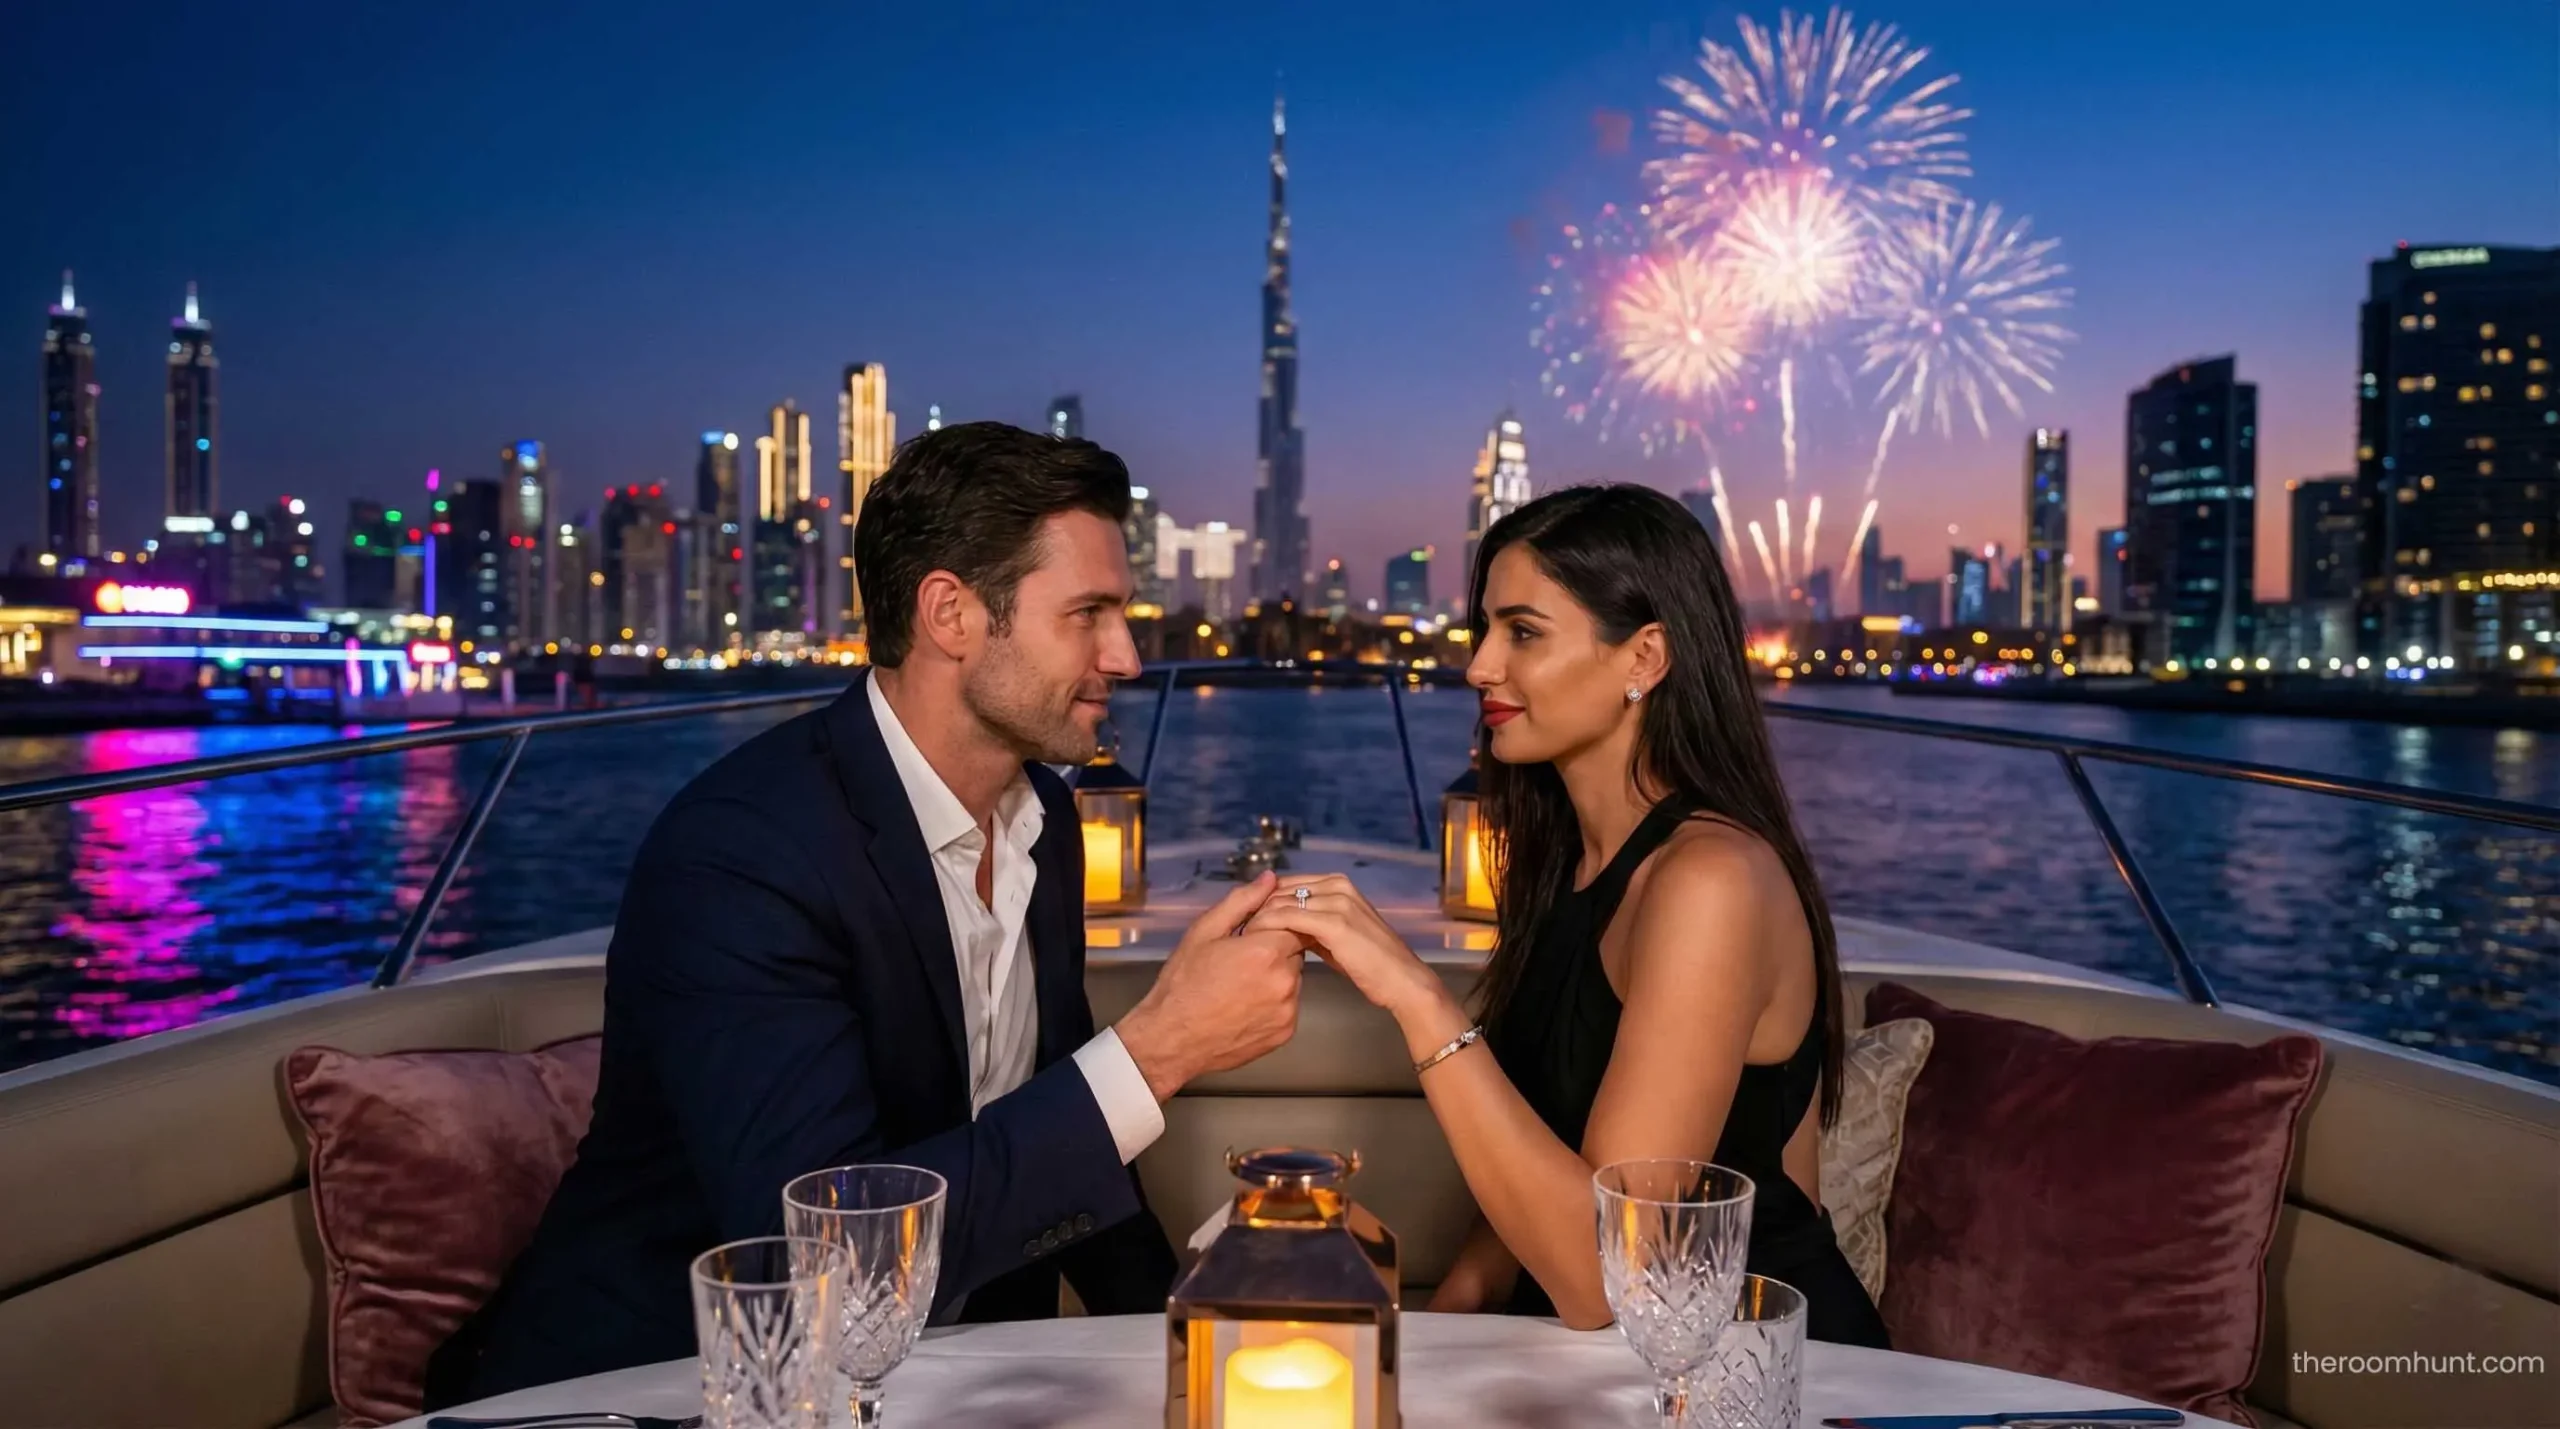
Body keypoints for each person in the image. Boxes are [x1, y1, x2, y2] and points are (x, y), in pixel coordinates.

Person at [428, 422, 1309, 1402]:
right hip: (666, 1389)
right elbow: (829, 1271)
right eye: (1089, 614)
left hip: (938, 1379)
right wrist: (1161, 1048)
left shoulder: (1045, 819)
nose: (1129, 655)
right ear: (951, 614)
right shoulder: (744, 851)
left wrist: (1189, 1367)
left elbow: (1060, 1126)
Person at [1247, 483, 1888, 1346]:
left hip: (1751, 1367)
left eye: (1523, 632)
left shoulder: (1712, 880)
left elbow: (1605, 1279)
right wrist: (1424, 1347)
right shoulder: (1565, 862)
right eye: (1484, 630)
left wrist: (1414, 992)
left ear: (1644, 658)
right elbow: (1537, 1169)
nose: (1477, 665)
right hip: (1595, 1362)